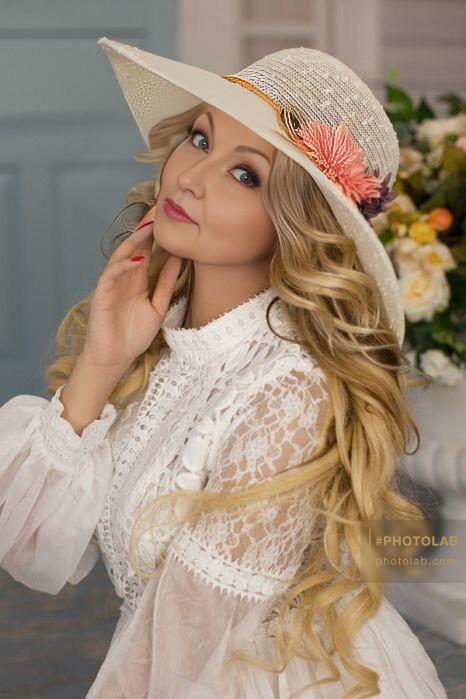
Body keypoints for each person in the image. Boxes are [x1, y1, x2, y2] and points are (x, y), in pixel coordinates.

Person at [0, 38, 448, 698]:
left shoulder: (289, 393)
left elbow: (177, 648)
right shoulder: (165, 336)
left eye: (245, 175)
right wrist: (101, 360)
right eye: (201, 139)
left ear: (295, 222)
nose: (190, 176)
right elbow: (25, 542)